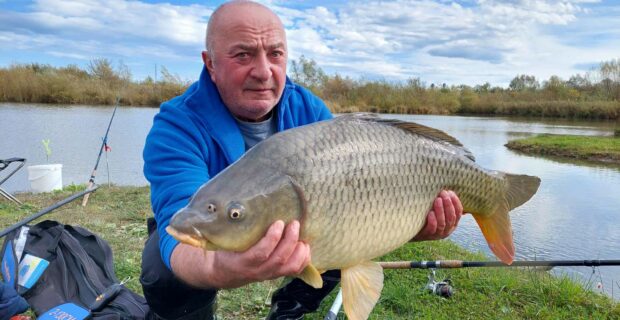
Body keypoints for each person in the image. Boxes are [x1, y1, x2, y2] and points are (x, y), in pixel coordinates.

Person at [140, 1, 463, 319]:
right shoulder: (176, 126)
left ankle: (289, 310)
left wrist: (409, 223)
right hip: (216, 219)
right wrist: (220, 267)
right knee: (163, 267)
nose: (264, 71)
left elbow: (360, 199)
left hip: (285, 218)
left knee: (337, 233)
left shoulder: (308, 111)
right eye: (243, 54)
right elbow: (179, 225)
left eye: (276, 54)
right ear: (210, 63)